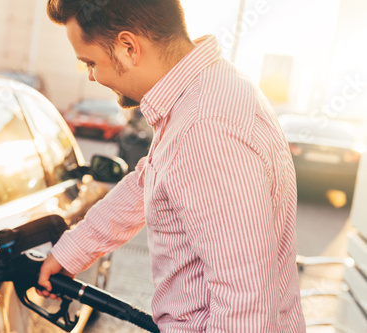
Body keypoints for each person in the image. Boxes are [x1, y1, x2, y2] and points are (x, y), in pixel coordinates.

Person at [38, 0, 306, 331]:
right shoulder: (211, 88)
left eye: (90, 63)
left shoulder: (205, 128)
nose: (91, 77)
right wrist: (72, 251)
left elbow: (245, 306)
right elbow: (151, 179)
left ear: (128, 47)